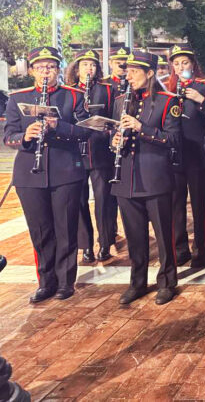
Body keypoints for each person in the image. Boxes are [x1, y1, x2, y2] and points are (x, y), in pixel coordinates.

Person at [4, 46, 90, 302]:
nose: (46, 72)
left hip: (66, 172)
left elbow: (87, 131)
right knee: (40, 232)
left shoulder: (74, 96)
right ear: (32, 70)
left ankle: (65, 282)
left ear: (58, 69)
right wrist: (25, 136)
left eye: (51, 67)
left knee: (66, 229)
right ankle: (46, 282)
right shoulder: (17, 98)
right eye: (40, 67)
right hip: (29, 174)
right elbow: (9, 136)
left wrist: (59, 126)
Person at [110, 50, 181, 305]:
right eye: (126, 71)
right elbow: (112, 134)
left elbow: (174, 139)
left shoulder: (168, 101)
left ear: (149, 73)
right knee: (135, 237)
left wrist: (142, 128)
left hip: (154, 179)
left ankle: (167, 282)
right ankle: (137, 283)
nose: (128, 76)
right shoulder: (120, 101)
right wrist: (113, 141)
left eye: (133, 72)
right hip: (125, 180)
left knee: (163, 236)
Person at [167, 44, 205, 267]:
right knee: (175, 205)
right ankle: (180, 249)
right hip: (175, 156)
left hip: (199, 156)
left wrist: (201, 100)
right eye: (177, 64)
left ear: (193, 64)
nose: (181, 67)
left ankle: (201, 249)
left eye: (185, 62)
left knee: (200, 206)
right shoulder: (167, 89)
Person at [66, 49, 118, 262]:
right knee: (78, 201)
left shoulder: (108, 89)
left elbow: (115, 117)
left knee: (104, 200)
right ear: (76, 68)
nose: (89, 68)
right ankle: (85, 245)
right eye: (85, 64)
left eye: (93, 65)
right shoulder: (68, 91)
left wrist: (108, 130)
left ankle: (105, 243)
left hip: (100, 151)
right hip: (75, 153)